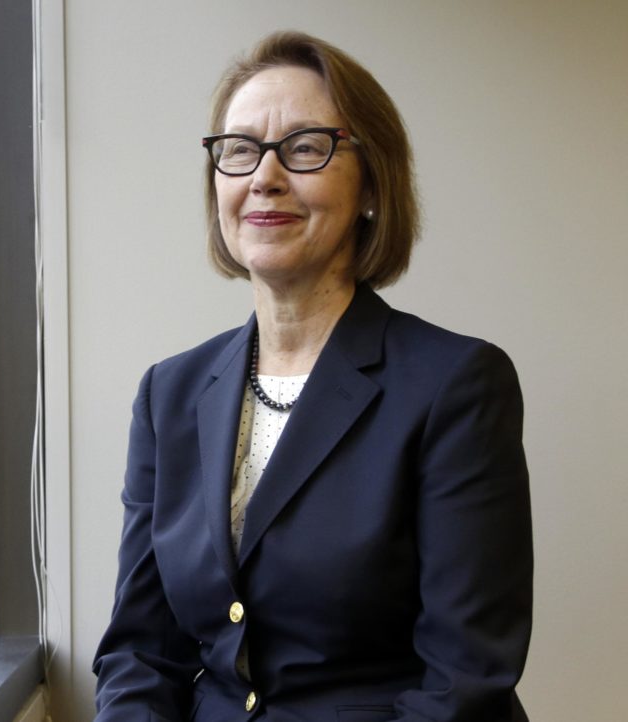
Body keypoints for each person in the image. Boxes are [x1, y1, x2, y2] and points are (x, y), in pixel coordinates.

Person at [93, 31, 532, 722]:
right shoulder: (167, 395)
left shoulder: (458, 385)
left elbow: (465, 683)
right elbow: (141, 653)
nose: (264, 176)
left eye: (304, 147)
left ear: (370, 185)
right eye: (239, 150)